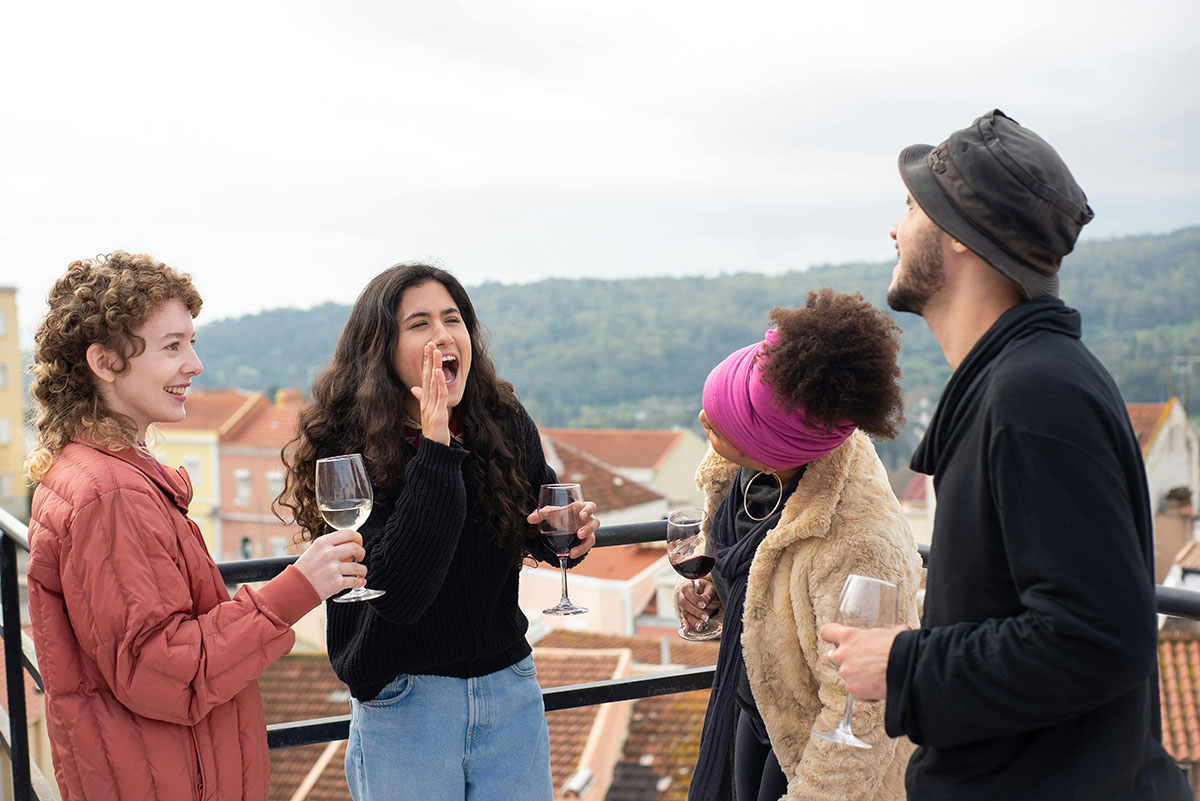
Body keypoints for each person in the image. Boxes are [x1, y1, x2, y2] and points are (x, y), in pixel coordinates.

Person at [820, 110, 1193, 800]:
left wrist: (906, 663)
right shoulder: (1027, 379)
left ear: (961, 237)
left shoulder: (1035, 394)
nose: (894, 230)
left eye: (910, 206)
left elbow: (1099, 636)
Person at [24, 252, 367, 801]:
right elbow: (163, 669)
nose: (195, 364)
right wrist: (299, 587)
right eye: (172, 346)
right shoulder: (111, 495)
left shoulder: (90, 470)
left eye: (192, 341)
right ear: (104, 362)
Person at [279, 263, 599, 801]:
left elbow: (530, 515)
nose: (443, 335)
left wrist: (564, 536)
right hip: (405, 702)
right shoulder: (345, 442)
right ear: (382, 346)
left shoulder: (499, 416)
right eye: (420, 323)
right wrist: (435, 442)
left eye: (453, 319)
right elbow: (399, 594)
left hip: (508, 687)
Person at [676, 288, 923, 801]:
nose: (704, 424)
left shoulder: (858, 544)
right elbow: (765, 580)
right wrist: (718, 596)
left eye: (719, 426)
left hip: (812, 747)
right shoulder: (755, 467)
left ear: (770, 447)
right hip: (756, 713)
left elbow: (860, 719)